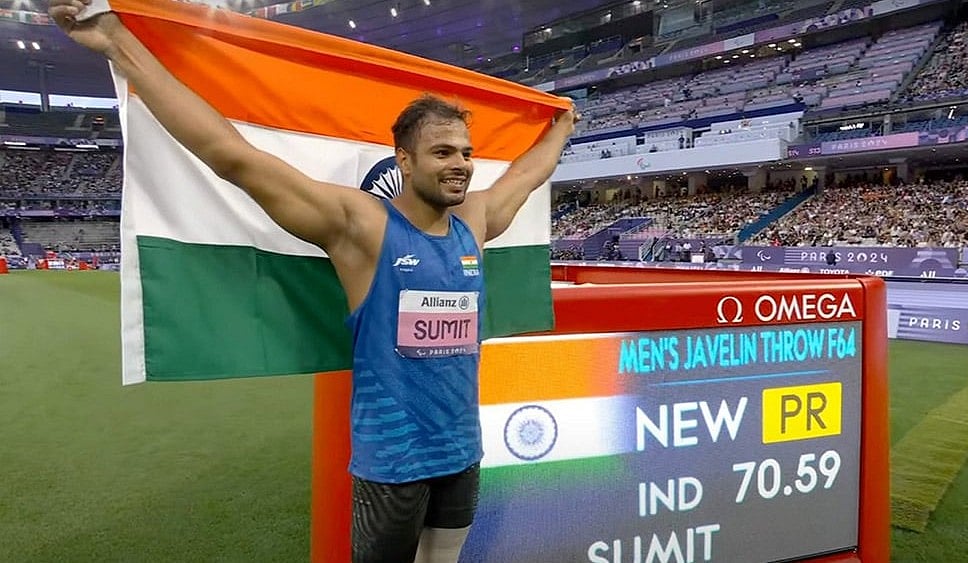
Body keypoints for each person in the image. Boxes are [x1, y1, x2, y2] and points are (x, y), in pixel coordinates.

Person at [48, 1, 577, 562]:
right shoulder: (361, 227)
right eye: (443, 151)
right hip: (393, 462)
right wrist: (117, 44)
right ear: (402, 159)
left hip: (462, 452)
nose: (462, 164)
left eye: (467, 154)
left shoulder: (475, 221)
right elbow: (233, 157)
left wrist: (561, 126)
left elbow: (525, 173)